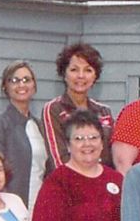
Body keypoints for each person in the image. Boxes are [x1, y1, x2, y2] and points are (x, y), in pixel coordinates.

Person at [0, 60, 49, 207]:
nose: (21, 85)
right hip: (10, 207)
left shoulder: (40, 126)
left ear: (34, 86)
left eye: (26, 80)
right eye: (14, 80)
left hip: (39, 206)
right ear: (5, 87)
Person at [44, 42, 113, 172]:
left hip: (100, 182)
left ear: (95, 76)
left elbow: (110, 156)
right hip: (68, 184)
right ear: (64, 74)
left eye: (88, 70)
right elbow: (58, 158)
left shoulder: (104, 111)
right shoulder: (54, 109)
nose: (81, 76)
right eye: (74, 70)